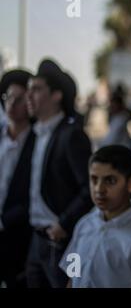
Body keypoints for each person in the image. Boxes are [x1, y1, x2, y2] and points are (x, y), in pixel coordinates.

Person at [59, 145, 131, 288]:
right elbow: (72, 278)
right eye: (94, 179)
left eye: (110, 181)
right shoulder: (84, 225)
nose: (99, 189)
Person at [25, 59, 92, 288]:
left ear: (56, 95)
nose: (29, 96)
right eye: (28, 90)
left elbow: (89, 188)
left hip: (62, 242)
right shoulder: (35, 133)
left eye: (36, 89)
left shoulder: (71, 135)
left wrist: (63, 223)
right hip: (36, 240)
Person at [0, 69, 34, 287]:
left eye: (19, 99)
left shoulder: (37, 142)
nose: (11, 104)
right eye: (8, 97)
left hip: (17, 235)